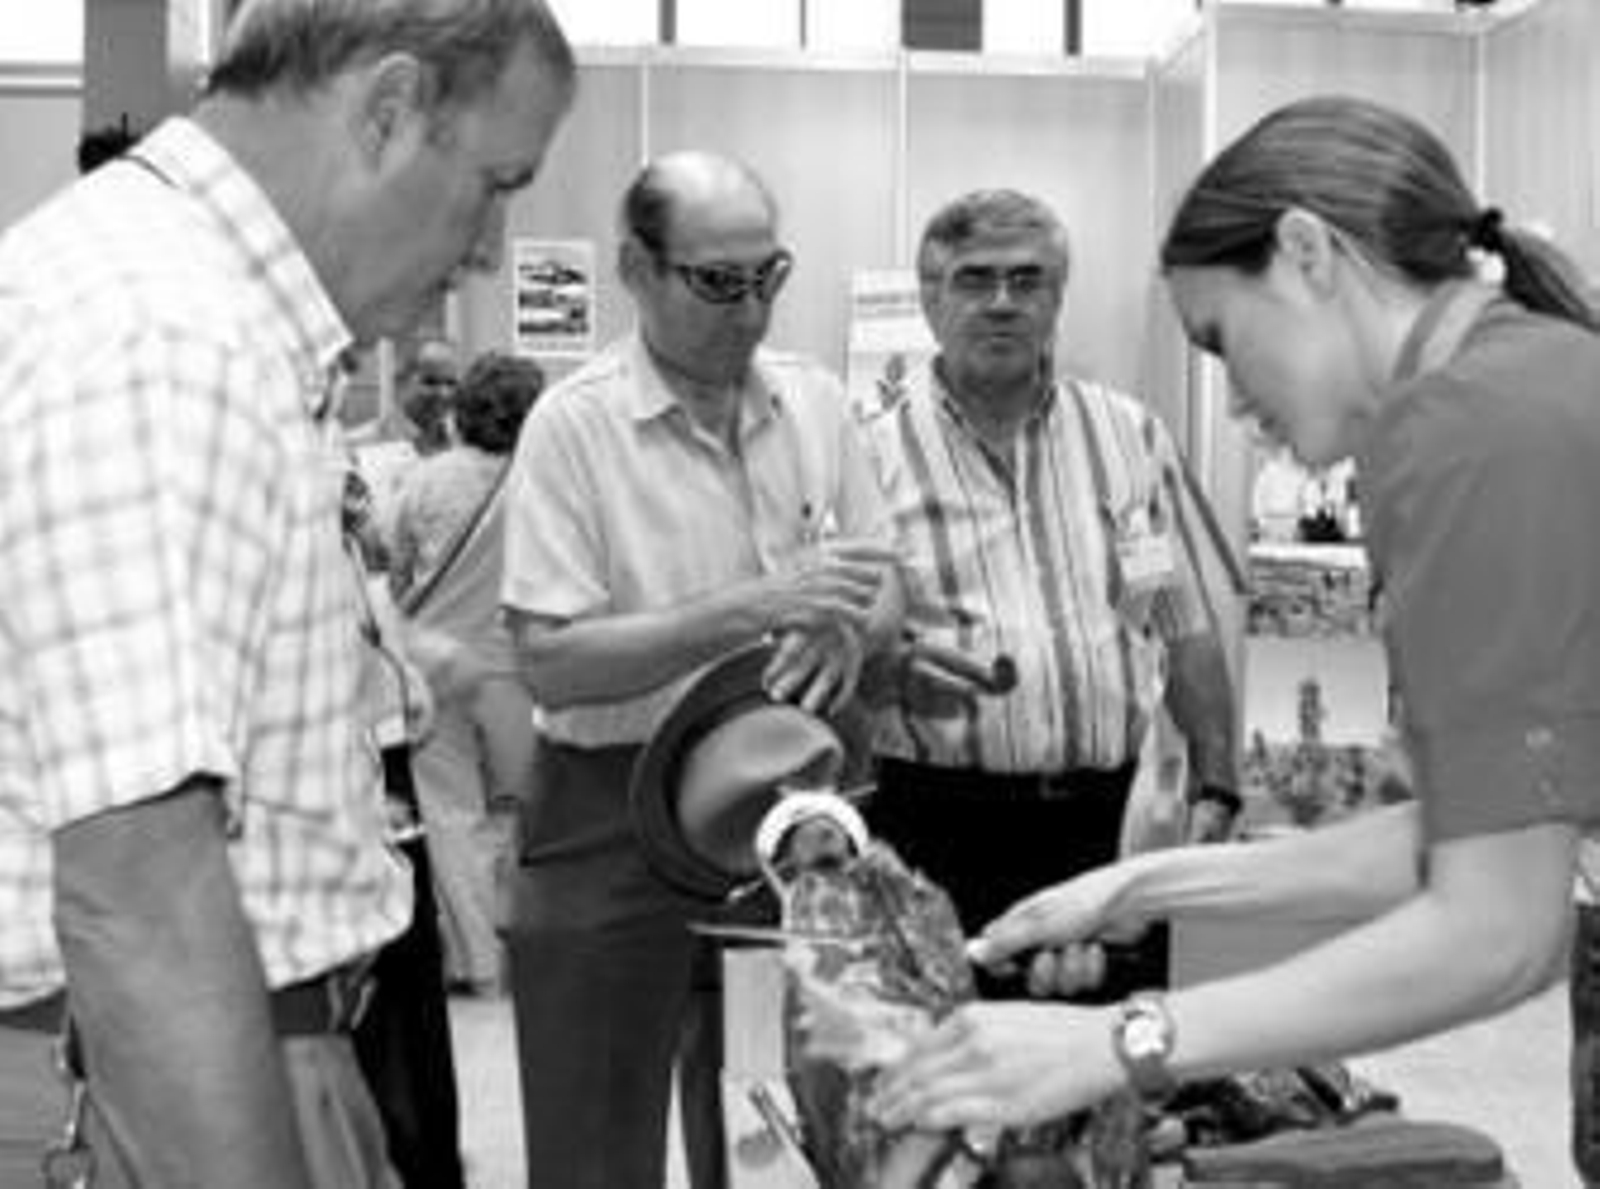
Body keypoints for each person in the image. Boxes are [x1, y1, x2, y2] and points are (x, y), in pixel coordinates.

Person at [867, 96, 1600, 1158]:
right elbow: (1468, 831)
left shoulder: (1463, 431)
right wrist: (1143, 882)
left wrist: (1118, 1042)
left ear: (1307, 254)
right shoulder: (1523, 379)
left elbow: (1496, 929)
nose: (1239, 401)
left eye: (1221, 341)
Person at [0, 1, 575, 1185]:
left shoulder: (182, 309)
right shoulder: (166, 341)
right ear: (387, 111)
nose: (488, 245)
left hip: (195, 1051)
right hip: (146, 1081)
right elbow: (141, 896)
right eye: (495, 184)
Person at [499, 149, 901, 1189]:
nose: (750, 309)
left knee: (779, 1137)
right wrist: (755, 609)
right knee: (593, 1144)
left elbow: (884, 574)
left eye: (768, 276)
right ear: (637, 269)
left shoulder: (814, 405)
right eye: (716, 283)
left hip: (791, 822)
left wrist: (853, 627)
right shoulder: (575, 426)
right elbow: (548, 661)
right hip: (606, 821)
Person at [859, 189, 1241, 1001]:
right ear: (930, 300)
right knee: (949, 1077)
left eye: (1027, 280)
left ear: (1057, 297)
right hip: (937, 825)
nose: (1002, 302)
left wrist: (1219, 777)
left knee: (1109, 1069)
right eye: (974, 280)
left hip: (1106, 823)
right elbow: (849, 662)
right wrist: (887, 670)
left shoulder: (1129, 434)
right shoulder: (868, 455)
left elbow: (1183, 623)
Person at [392, 351, 545, 994]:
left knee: (452, 819)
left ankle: (480, 969)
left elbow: (395, 572)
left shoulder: (426, 482)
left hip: (436, 668)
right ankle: (531, 957)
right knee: (528, 815)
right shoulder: (546, 482)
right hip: (521, 671)